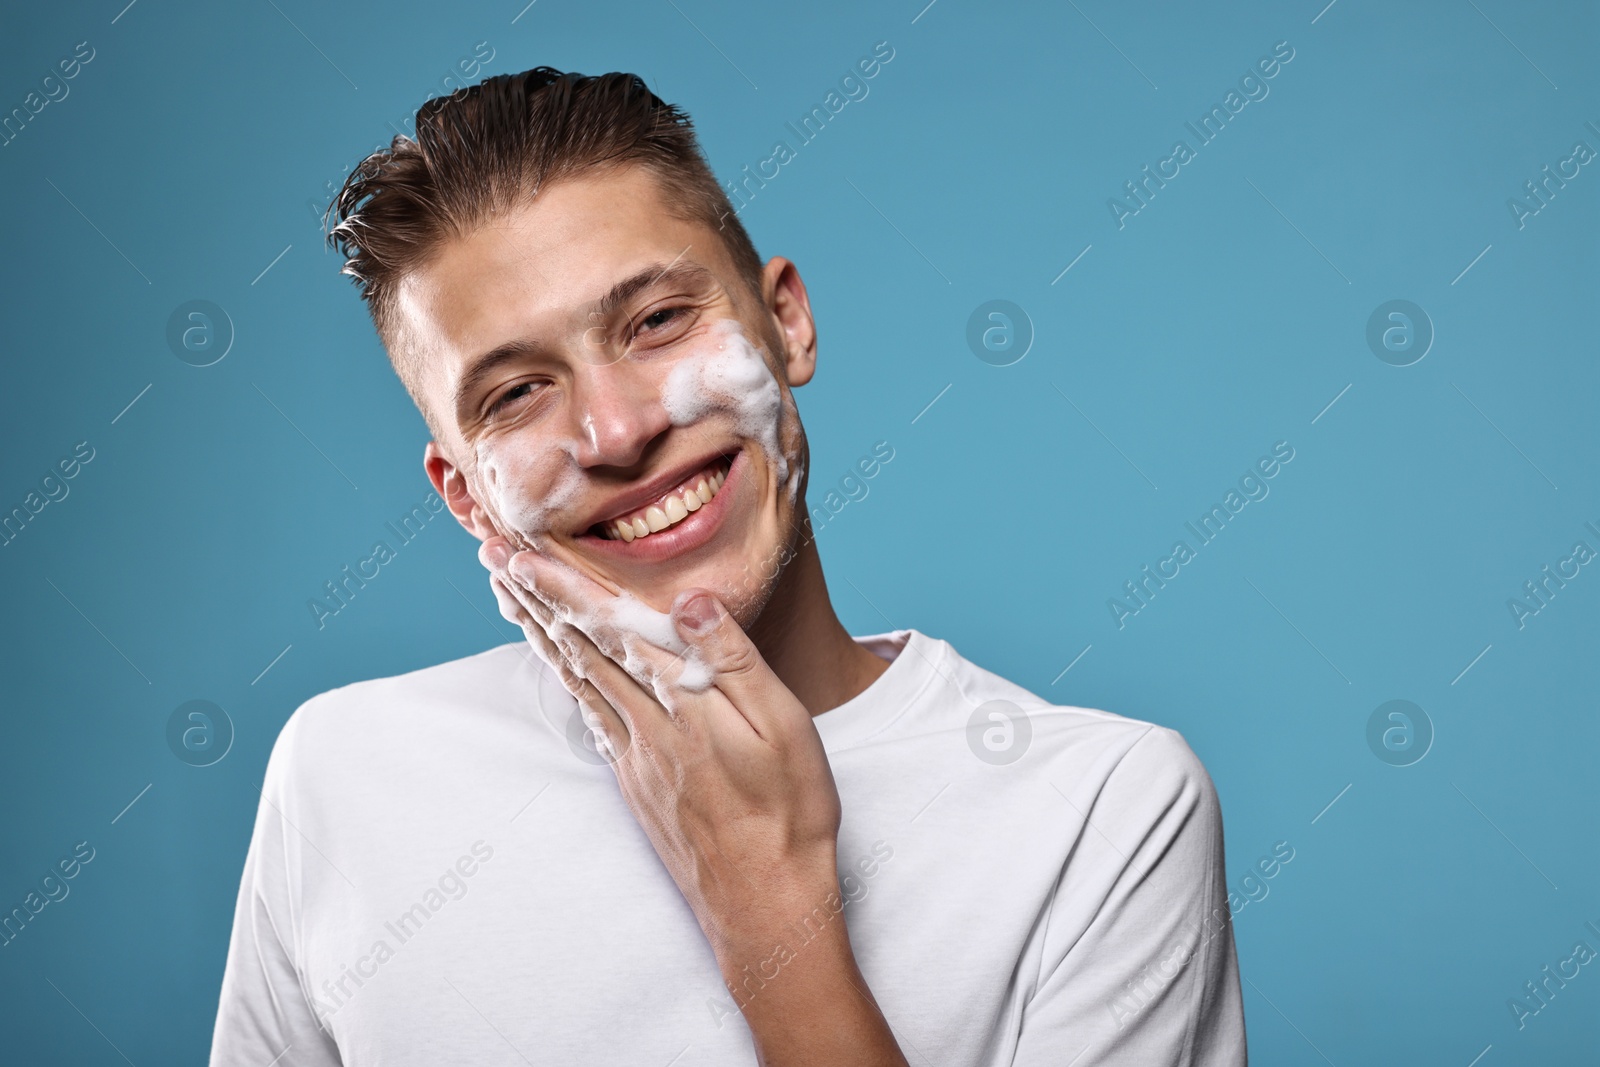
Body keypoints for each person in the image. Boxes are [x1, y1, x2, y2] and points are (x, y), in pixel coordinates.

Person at [210, 66, 1246, 1066]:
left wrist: (769, 914)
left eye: (657, 321)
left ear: (785, 320)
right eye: (516, 391)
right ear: (466, 493)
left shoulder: (1105, 811)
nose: (614, 430)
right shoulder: (345, 773)